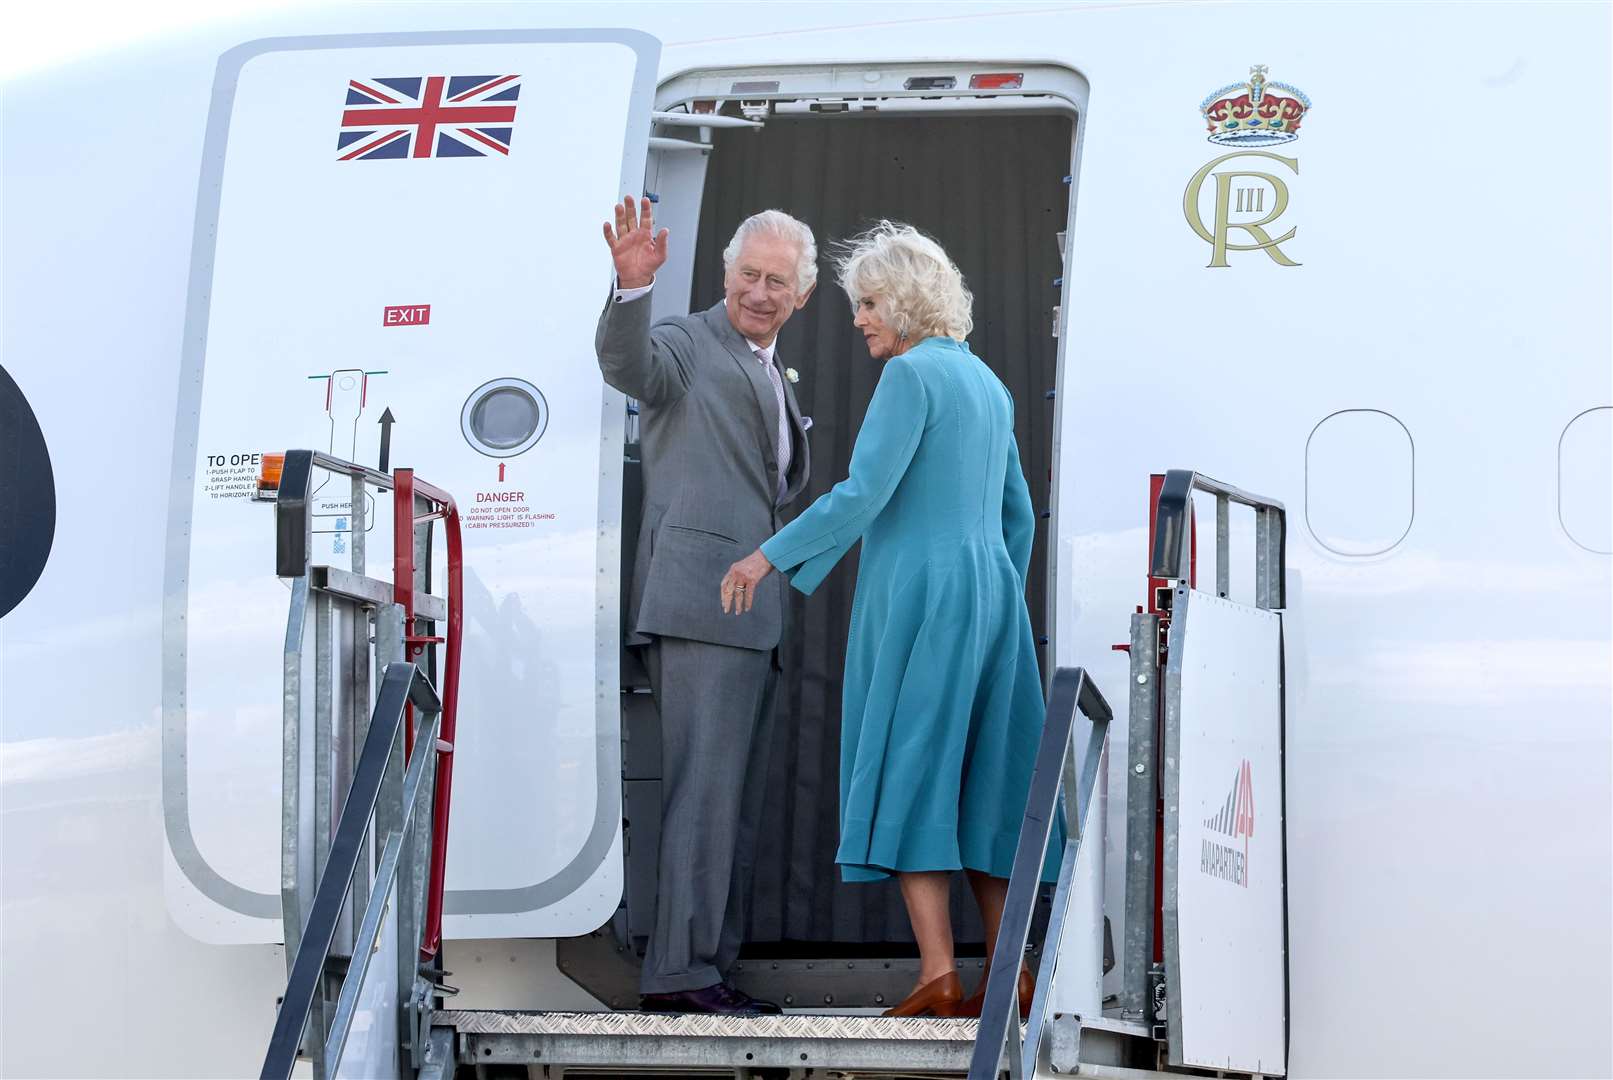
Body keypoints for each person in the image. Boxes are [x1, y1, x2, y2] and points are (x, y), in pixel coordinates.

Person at [720, 221, 1050, 1019]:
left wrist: (766, 556)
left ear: (904, 302)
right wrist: (993, 589)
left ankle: (937, 973)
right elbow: (1018, 516)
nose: (861, 318)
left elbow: (863, 493)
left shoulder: (910, 379)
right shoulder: (987, 383)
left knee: (911, 766)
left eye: (868, 303)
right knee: (989, 779)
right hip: (993, 597)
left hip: (918, 598)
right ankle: (1013, 974)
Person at [596, 197, 816, 1016]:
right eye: (748, 275)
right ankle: (680, 975)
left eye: (778, 281)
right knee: (704, 792)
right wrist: (629, 291)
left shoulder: (771, 369)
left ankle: (710, 967)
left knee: (732, 800)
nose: (760, 292)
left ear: (803, 294)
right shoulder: (688, 343)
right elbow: (631, 367)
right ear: (726, 274)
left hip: (749, 613)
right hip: (700, 602)